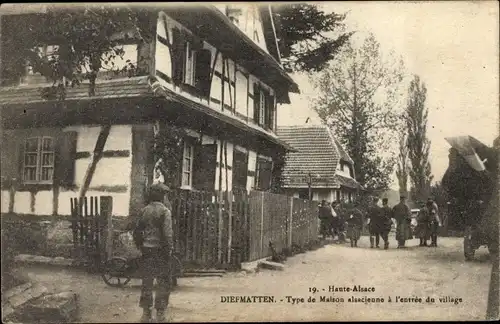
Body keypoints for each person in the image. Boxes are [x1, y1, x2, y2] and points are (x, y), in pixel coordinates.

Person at [133, 183, 173, 323]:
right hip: (161, 251)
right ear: (162, 196)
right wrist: (169, 249)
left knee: (147, 281)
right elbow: (167, 234)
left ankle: (146, 314)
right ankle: (161, 314)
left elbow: (137, 230)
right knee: (163, 281)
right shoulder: (165, 212)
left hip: (147, 249)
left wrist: (140, 245)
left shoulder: (145, 210)